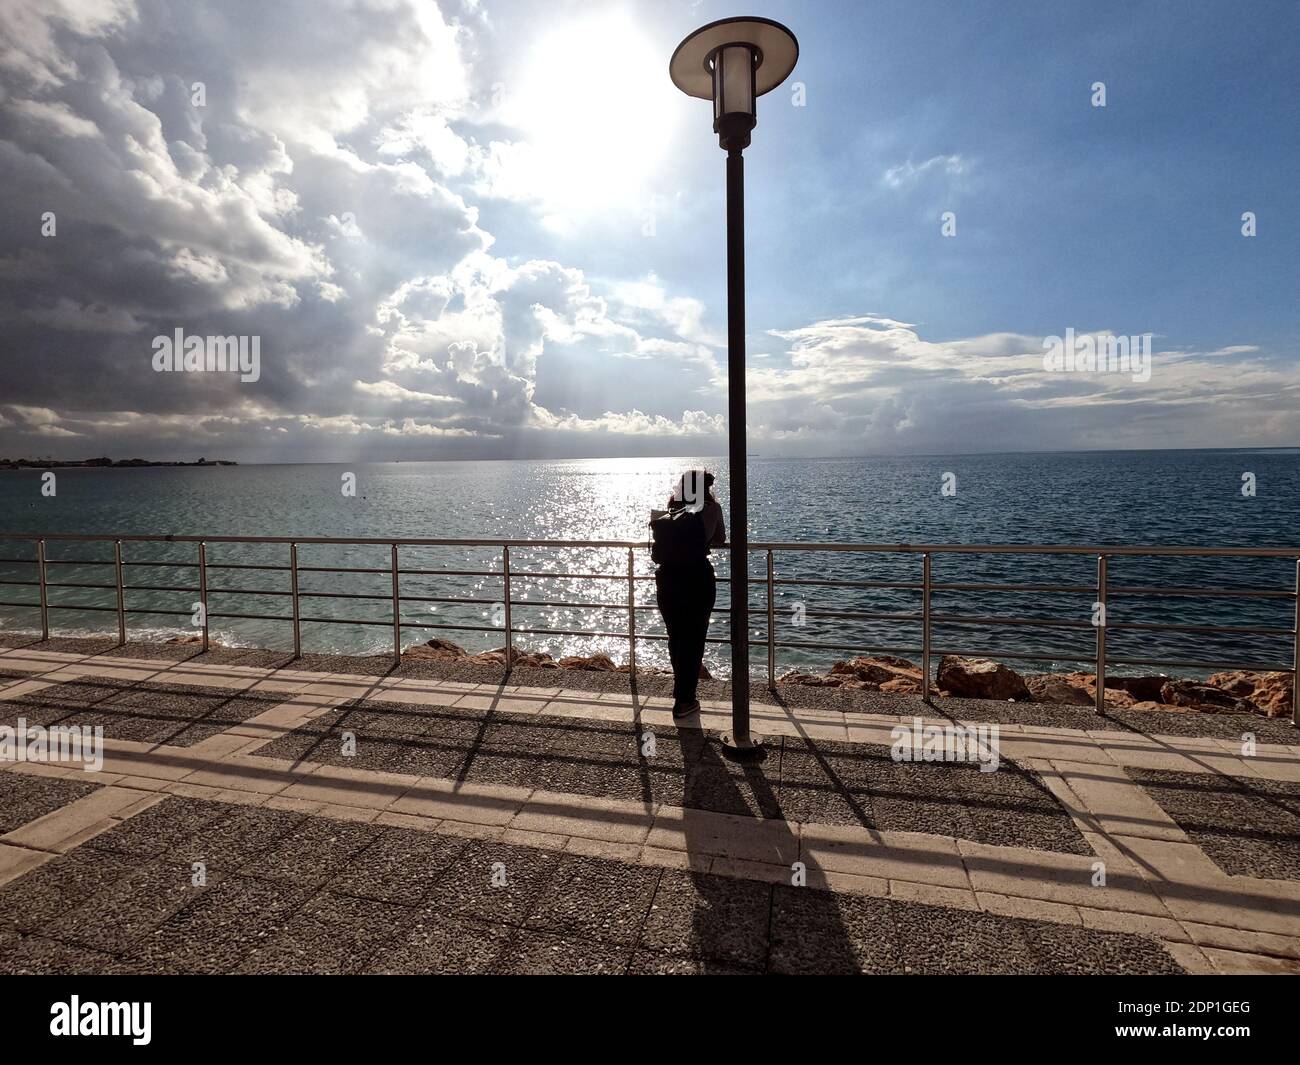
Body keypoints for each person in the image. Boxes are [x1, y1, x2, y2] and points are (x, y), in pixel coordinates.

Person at [655, 469, 725, 719]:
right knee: (695, 638)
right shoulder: (711, 509)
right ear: (705, 488)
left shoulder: (671, 507)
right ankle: (685, 700)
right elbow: (720, 538)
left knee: (676, 637)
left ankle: (681, 693)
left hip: (667, 577)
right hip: (697, 577)